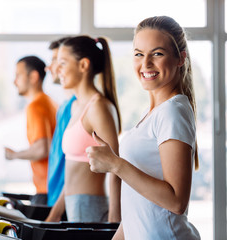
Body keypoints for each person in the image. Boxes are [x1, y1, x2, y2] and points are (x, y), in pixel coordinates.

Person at [87, 16, 201, 239]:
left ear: (181, 58)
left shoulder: (172, 111)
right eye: (139, 54)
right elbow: (137, 209)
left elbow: (177, 201)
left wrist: (115, 164)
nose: (146, 63)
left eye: (157, 53)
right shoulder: (151, 113)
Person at [45, 35, 122, 223]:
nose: (57, 70)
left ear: (83, 65)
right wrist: (55, 213)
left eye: (62, 63)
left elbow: (116, 168)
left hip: (92, 209)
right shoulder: (76, 107)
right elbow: (73, 173)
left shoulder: (99, 107)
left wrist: (114, 220)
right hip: (74, 208)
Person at [5, 56, 57, 205]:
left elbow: (42, 149)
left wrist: (13, 155)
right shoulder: (50, 102)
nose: (14, 81)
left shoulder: (36, 106)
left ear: (33, 77)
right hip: (53, 187)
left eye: (18, 75)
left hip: (46, 190)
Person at [45, 37, 77, 207]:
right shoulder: (64, 106)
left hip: (66, 202)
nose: (50, 67)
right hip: (56, 197)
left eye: (58, 60)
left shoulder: (78, 106)